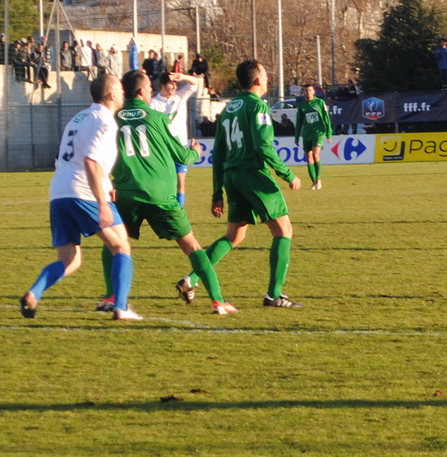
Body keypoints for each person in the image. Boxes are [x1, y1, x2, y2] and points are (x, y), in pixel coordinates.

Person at [105, 69, 237, 316]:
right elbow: (182, 155)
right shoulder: (156, 117)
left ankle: (110, 296)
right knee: (192, 247)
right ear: (143, 91)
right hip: (160, 195)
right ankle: (218, 302)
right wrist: (196, 151)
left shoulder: (112, 118)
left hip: (125, 193)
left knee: (113, 244)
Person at [19, 74, 140, 322]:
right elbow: (90, 162)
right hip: (84, 193)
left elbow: (73, 157)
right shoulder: (105, 121)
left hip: (59, 193)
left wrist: (106, 184)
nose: (123, 93)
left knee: (70, 260)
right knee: (120, 246)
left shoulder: (79, 117)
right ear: (111, 94)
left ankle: (33, 294)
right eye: (120, 89)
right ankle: (121, 307)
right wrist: (103, 203)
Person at [194, 59, 301, 308]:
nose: (268, 79)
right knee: (284, 230)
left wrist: (216, 192)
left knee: (234, 235)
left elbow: (218, 152)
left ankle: (191, 279)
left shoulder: (228, 109)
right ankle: (274, 295)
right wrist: (288, 175)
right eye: (265, 74)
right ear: (257, 80)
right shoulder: (258, 107)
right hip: (252, 173)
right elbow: (264, 146)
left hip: (231, 176)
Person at [149, 70, 201, 206]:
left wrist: (182, 77)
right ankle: (163, 207)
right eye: (170, 84)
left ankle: (179, 210)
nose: (174, 87)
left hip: (180, 146)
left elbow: (195, 83)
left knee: (180, 180)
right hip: (163, 148)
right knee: (164, 180)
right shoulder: (153, 103)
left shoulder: (180, 96)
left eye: (175, 84)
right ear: (162, 85)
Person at [295, 83, 334, 190]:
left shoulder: (320, 103)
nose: (308, 92)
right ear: (303, 92)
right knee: (309, 157)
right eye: (306, 90)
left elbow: (326, 119)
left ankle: (318, 180)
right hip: (307, 134)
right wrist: (297, 137)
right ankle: (314, 183)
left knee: (315, 154)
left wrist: (329, 133)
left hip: (319, 132)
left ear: (313, 92)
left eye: (310, 90)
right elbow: (299, 122)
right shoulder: (302, 105)